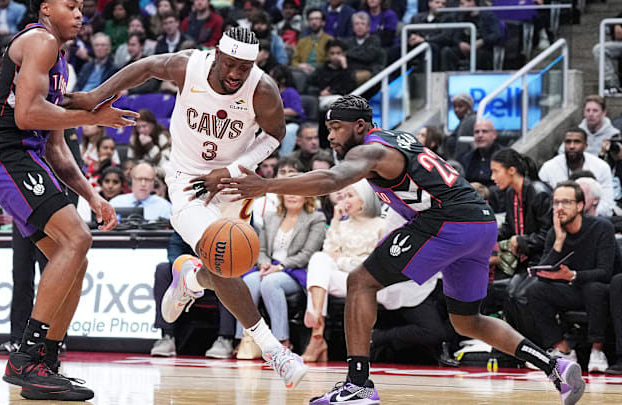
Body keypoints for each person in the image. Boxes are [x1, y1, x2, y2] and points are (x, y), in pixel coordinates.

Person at [220, 95, 586, 405]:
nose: (331, 136)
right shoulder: (396, 139)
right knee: (466, 320)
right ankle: (554, 364)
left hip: (448, 222)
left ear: (362, 126)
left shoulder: (372, 150)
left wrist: (265, 185)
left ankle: (358, 384)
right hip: (480, 223)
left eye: (338, 128)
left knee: (360, 283)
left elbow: (332, 180)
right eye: (329, 128)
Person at [64, 27, 309, 388]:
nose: (234, 75)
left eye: (244, 68)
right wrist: (96, 95)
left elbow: (275, 135)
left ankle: (191, 279)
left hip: (232, 182)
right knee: (222, 255)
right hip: (186, 180)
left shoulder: (262, 88)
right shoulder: (188, 66)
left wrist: (234, 168)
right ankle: (275, 350)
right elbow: (145, 67)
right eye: (229, 65)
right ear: (216, 54)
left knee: (227, 265)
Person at [0, 0, 137, 399]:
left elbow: (57, 150)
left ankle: (46, 363)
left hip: (25, 154)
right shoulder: (40, 40)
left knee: (75, 255)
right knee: (77, 239)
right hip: (0, 148)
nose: (79, 13)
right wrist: (92, 116)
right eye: (70, 5)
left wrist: (94, 198)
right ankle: (24, 358)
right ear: (46, 9)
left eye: (82, 7)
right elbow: (26, 115)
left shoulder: (60, 61)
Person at [525, 181, 614, 374]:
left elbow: (606, 272)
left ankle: (597, 351)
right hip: (571, 291)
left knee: (594, 288)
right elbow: (543, 276)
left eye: (566, 202)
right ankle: (563, 349)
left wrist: (572, 275)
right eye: (556, 203)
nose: (559, 208)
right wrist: (558, 241)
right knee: (534, 290)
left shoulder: (601, 228)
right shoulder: (554, 232)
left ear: (580, 206)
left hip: (602, 290)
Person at [235, 188, 326, 359]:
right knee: (249, 281)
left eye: (297, 191)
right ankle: (247, 340)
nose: (292, 195)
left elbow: (307, 254)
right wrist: (263, 263)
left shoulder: (316, 219)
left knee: (271, 283)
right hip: (269, 267)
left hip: (296, 271)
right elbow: (261, 249)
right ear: (281, 195)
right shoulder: (271, 217)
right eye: (288, 191)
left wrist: (280, 267)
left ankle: (281, 341)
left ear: (306, 196)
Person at [302, 180, 386, 362]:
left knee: (322, 271)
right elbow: (327, 253)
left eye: (350, 196)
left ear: (364, 199)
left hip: (367, 283)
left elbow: (372, 265)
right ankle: (317, 329)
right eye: (344, 196)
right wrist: (335, 221)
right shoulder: (342, 224)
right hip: (343, 278)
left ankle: (316, 333)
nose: (345, 200)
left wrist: (341, 260)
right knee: (318, 259)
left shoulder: (381, 226)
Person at [490, 148, 552, 275]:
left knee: (515, 292)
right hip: (524, 258)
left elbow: (549, 235)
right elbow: (509, 227)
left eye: (496, 171)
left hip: (543, 259)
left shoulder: (539, 193)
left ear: (511, 170)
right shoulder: (510, 193)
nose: (492, 177)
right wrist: (485, 236)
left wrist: (521, 241)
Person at [539, 128, 615, 217]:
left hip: (594, 220)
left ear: (585, 146)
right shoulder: (548, 168)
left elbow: (607, 204)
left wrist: (585, 216)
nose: (571, 146)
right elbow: (542, 203)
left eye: (577, 142)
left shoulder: (601, 167)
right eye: (568, 142)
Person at [309, 39, 357, 111]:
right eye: (332, 53)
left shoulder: (348, 70)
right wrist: (320, 92)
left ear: (344, 54)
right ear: (328, 55)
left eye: (338, 53)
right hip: (321, 99)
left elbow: (350, 88)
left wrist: (345, 68)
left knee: (340, 100)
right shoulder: (320, 69)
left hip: (343, 100)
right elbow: (309, 87)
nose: (335, 56)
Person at [269, 65, 305, 157]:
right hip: (273, 123)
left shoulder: (290, 92)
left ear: (282, 80)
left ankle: (284, 157)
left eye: (272, 77)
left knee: (289, 131)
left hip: (291, 123)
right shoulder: (269, 93)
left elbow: (295, 111)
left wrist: (275, 112)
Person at [459, 118, 505, 188]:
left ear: (494, 134)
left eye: (484, 131)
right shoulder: (466, 158)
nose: (480, 135)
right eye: (477, 132)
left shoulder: (505, 157)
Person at [291, 8, 332, 75]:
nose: (313, 22)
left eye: (316, 19)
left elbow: (330, 61)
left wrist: (316, 68)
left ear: (323, 22)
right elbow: (294, 60)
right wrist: (300, 65)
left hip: (322, 73)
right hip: (302, 72)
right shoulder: (302, 42)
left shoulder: (330, 40)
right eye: (311, 19)